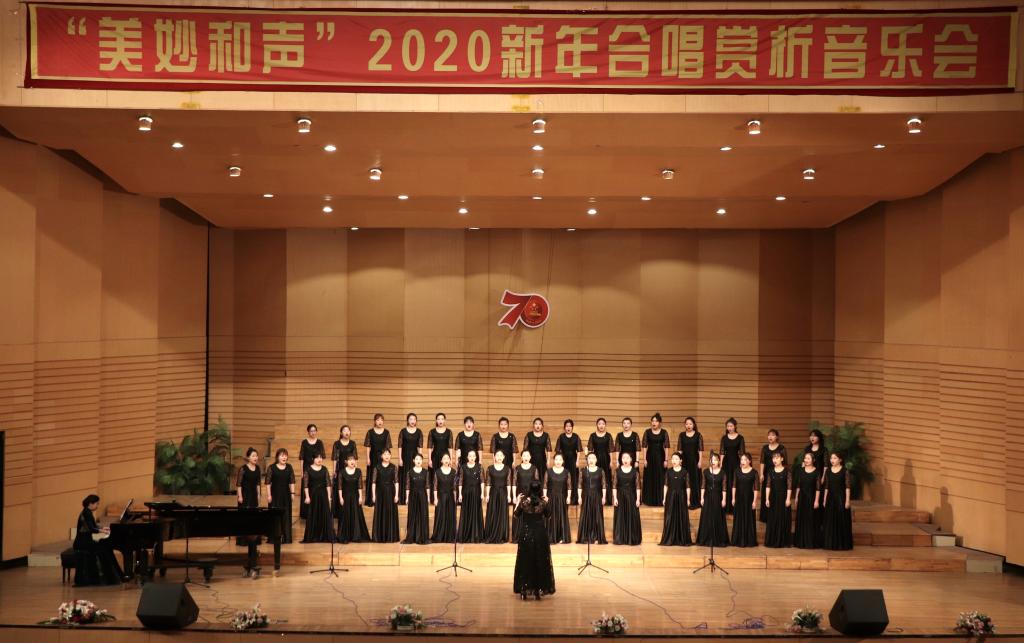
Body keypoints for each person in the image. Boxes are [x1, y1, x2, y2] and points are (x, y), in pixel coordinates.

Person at [513, 481, 555, 600]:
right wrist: (547, 502)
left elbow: (516, 515)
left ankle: (524, 590)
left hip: (526, 535)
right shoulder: (543, 503)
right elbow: (549, 516)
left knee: (525, 561)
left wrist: (517, 502)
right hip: (540, 535)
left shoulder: (524, 502)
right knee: (539, 561)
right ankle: (538, 590)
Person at [73, 494, 125, 586]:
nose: (97, 506)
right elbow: (91, 529)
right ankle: (107, 577)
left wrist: (103, 528)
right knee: (104, 549)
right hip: (82, 543)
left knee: (105, 547)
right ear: (90, 503)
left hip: (85, 541)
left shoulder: (87, 512)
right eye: (97, 503)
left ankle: (110, 576)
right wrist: (102, 531)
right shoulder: (86, 513)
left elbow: (93, 525)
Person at [236, 447, 263, 574]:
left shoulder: (257, 468)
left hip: (253, 496)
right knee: (245, 519)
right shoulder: (243, 469)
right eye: (253, 456)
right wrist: (240, 496)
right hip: (245, 496)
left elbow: (258, 483)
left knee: (254, 519)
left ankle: (254, 540)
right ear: (248, 457)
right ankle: (244, 539)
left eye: (256, 456)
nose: (255, 458)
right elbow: (239, 484)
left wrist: (259, 494)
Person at [696, 452, 729, 547]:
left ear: (719, 461)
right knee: (707, 517)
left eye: (715, 460)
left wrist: (724, 499)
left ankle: (718, 539)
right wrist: (702, 497)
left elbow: (724, 488)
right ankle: (706, 538)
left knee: (717, 516)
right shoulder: (706, 471)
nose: (713, 461)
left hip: (718, 497)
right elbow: (703, 486)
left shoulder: (723, 473)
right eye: (712, 460)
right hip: (708, 497)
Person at [822, 453, 853, 550]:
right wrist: (824, 499)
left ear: (840, 460)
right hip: (830, 498)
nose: (832, 460)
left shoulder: (845, 471)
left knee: (841, 520)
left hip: (841, 498)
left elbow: (847, 487)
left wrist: (847, 500)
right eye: (831, 458)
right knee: (830, 521)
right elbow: (826, 486)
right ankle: (830, 543)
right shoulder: (828, 471)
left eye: (835, 458)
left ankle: (841, 544)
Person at [659, 452, 692, 546]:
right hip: (671, 496)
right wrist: (664, 498)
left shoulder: (685, 472)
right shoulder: (668, 472)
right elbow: (666, 485)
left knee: (681, 516)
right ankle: (669, 538)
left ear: (681, 460)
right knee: (670, 517)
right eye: (673, 459)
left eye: (676, 459)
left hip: (681, 496)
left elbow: (688, 487)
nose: (674, 461)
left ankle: (682, 538)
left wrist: (688, 499)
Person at [336, 453, 370, 543]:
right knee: (345, 515)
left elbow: (360, 486)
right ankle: (345, 535)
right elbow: (340, 486)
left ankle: (356, 536)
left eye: (354, 460)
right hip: (345, 497)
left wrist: (360, 497)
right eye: (350, 460)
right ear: (346, 461)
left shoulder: (358, 471)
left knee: (356, 516)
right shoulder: (342, 472)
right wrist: (340, 498)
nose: (352, 461)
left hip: (355, 497)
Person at [302, 452, 335, 543]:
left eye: (320, 457)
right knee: (313, 514)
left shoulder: (324, 469)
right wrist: (307, 496)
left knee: (324, 515)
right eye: (317, 457)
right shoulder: (308, 469)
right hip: (313, 495)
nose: (319, 459)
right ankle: (313, 536)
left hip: (323, 495)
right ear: (313, 459)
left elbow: (328, 484)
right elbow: (306, 485)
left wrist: (329, 496)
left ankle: (324, 536)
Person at [265, 448, 296, 546]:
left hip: (286, 495)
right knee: (275, 516)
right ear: (277, 457)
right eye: (282, 455)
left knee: (286, 515)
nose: (284, 457)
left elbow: (292, 481)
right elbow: (268, 483)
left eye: (285, 455)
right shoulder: (271, 468)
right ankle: (274, 537)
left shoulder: (289, 467)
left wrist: (292, 493)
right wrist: (269, 495)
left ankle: (286, 537)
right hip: (275, 495)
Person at [792, 452, 822, 549]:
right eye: (805, 458)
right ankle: (801, 541)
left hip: (812, 498)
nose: (806, 460)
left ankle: (810, 542)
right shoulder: (801, 470)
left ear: (813, 460)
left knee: (811, 519)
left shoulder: (817, 472)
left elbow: (818, 488)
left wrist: (816, 501)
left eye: (808, 458)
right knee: (801, 519)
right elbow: (798, 485)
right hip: (802, 498)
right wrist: (796, 497)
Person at [764, 450, 793, 548]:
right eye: (773, 458)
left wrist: (788, 499)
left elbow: (789, 486)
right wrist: (767, 498)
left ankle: (783, 541)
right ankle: (772, 540)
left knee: (783, 518)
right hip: (773, 497)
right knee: (773, 518)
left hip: (783, 497)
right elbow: (768, 486)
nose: (774, 460)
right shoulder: (770, 471)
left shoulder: (787, 471)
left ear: (782, 459)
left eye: (777, 458)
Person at [577, 453, 607, 544]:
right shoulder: (583, 471)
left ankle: (597, 537)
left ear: (596, 460)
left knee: (597, 516)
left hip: (597, 496)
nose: (591, 460)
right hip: (586, 496)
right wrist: (579, 497)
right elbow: (579, 485)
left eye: (593, 458)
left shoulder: (601, 471)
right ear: (587, 460)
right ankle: (585, 537)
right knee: (586, 515)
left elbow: (604, 485)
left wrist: (604, 497)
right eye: (589, 458)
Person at [613, 452, 642, 545]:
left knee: (631, 517)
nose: (625, 460)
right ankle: (620, 538)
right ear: (621, 460)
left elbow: (638, 487)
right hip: (620, 497)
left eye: (627, 458)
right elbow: (614, 486)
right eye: (623, 458)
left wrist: (638, 499)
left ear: (631, 460)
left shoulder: (635, 472)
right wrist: (615, 498)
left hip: (631, 496)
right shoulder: (617, 471)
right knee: (620, 517)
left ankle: (631, 538)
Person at [730, 453, 758, 548]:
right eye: (741, 459)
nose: (742, 461)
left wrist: (754, 501)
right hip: (739, 498)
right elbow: (734, 485)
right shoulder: (737, 471)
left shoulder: (754, 472)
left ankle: (749, 540)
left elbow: (756, 488)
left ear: (749, 461)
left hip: (749, 498)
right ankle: (737, 539)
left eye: (745, 459)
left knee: (748, 518)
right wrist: (733, 498)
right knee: (738, 518)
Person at [371, 449, 400, 543]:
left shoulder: (393, 467)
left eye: (388, 454)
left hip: (391, 492)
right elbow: (374, 482)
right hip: (380, 493)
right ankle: (379, 536)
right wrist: (374, 495)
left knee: (390, 512)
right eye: (385, 454)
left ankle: (390, 536)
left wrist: (396, 495)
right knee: (380, 512)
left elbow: (396, 482)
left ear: (390, 456)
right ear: (381, 456)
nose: (387, 456)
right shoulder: (377, 467)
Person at [363, 414, 392, 507]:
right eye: (378, 420)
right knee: (373, 476)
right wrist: (368, 458)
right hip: (373, 457)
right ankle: (371, 499)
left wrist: (387, 458)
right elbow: (368, 446)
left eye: (381, 420)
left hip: (383, 457)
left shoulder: (386, 432)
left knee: (382, 477)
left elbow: (388, 448)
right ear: (375, 421)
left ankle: (382, 499)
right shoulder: (370, 432)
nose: (380, 422)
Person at [484, 450, 512, 543]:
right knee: (492, 513)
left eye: (501, 455)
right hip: (493, 493)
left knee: (502, 513)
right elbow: (488, 483)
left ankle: (501, 535)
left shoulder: (507, 469)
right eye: (497, 455)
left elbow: (508, 483)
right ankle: (491, 534)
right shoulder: (490, 468)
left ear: (503, 457)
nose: (499, 457)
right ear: (494, 457)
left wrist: (509, 495)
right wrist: (487, 495)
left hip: (503, 493)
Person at [641, 413, 670, 506]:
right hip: (650, 457)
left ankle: (661, 499)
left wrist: (666, 460)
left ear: (659, 423)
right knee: (650, 478)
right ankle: (649, 500)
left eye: (656, 421)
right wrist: (644, 459)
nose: (654, 423)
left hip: (661, 458)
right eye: (653, 421)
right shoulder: (647, 432)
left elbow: (666, 447)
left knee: (661, 478)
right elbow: (644, 446)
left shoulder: (664, 432)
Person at [759, 429, 787, 523]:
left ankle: (776, 516)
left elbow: (785, 463)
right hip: (767, 473)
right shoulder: (765, 448)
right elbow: (762, 462)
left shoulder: (781, 448)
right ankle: (766, 516)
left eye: (773, 435)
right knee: (766, 493)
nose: (770, 437)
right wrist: (761, 473)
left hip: (778, 474)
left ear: (777, 437)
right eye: (769, 435)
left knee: (775, 493)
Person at [512, 450, 540, 541]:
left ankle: (530, 536)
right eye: (524, 455)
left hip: (531, 496)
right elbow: (514, 483)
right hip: (520, 495)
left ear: (530, 457)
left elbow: (537, 484)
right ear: (521, 457)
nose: (526, 457)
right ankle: (518, 536)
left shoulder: (534, 468)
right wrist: (514, 496)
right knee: (519, 514)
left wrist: (533, 496)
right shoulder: (517, 468)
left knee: (530, 515)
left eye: (527, 455)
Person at [457, 450, 485, 543]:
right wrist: (460, 494)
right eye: (470, 456)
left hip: (476, 492)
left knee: (476, 511)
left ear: (476, 457)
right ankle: (465, 534)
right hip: (466, 492)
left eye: (473, 456)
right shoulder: (463, 467)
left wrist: (482, 493)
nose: (472, 457)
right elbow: (460, 481)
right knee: (466, 512)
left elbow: (482, 481)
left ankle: (476, 535)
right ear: (467, 457)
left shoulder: (479, 467)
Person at [298, 424, 325, 519]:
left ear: (316, 431)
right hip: (306, 469)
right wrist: (301, 471)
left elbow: (321, 457)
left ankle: (316, 511)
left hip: (316, 469)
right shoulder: (304, 442)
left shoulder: (319, 442)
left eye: (314, 431)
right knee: (306, 489)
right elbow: (301, 457)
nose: (313, 432)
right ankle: (306, 513)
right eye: (311, 431)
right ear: (308, 432)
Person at [586, 417, 615, 506]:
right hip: (595, 460)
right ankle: (596, 499)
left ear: (605, 425)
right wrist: (590, 461)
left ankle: (607, 499)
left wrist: (611, 461)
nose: (601, 425)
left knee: (606, 478)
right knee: (596, 478)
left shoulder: (608, 435)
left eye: (603, 424)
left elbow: (610, 450)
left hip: (606, 459)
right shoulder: (592, 436)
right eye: (599, 424)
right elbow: (590, 450)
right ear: (597, 425)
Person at [331, 425, 357, 521]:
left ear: (350, 432)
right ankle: (338, 512)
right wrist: (334, 470)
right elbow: (334, 458)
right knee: (340, 489)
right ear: (341, 433)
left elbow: (355, 457)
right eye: (344, 430)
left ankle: (350, 510)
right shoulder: (337, 443)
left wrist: (355, 469)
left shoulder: (353, 443)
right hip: (340, 470)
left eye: (348, 430)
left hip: (351, 470)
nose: (346, 432)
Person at [719, 418, 745, 514]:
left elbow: (742, 452)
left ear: (735, 426)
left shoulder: (740, 438)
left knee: (735, 483)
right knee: (726, 482)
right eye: (728, 426)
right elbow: (722, 452)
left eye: (731, 426)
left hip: (736, 462)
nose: (729, 428)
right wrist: (721, 463)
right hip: (726, 463)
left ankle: (735, 506)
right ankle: (726, 506)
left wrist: (742, 463)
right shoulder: (724, 438)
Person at [403, 454, 430, 544]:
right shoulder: (410, 472)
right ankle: (412, 536)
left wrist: (428, 497)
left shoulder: (426, 472)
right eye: (417, 459)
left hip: (423, 495)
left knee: (423, 515)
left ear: (422, 461)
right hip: (413, 496)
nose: (418, 461)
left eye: (420, 459)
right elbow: (407, 486)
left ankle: (423, 536)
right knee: (412, 515)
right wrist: (407, 498)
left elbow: (427, 486)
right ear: (413, 460)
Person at [545, 453, 572, 544]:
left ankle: (562, 537)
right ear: (553, 460)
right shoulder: (548, 471)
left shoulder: (566, 472)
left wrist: (568, 497)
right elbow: (545, 485)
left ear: (563, 461)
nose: (558, 461)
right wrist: (545, 496)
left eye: (560, 459)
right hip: (551, 498)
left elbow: (569, 486)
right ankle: (551, 537)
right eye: (556, 459)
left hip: (562, 498)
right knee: (551, 517)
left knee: (561, 517)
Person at [430, 453, 457, 543]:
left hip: (450, 497)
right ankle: (439, 535)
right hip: (440, 497)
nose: (446, 460)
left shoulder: (453, 472)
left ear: (450, 460)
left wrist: (455, 498)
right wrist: (435, 499)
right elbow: (435, 487)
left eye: (447, 458)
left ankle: (450, 536)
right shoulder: (437, 472)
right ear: (441, 460)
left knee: (450, 516)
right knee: (440, 516)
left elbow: (454, 487)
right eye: (444, 458)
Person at [677, 417, 704, 509]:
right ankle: (684, 501)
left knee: (694, 480)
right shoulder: (681, 435)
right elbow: (680, 450)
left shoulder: (698, 435)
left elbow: (700, 450)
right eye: (687, 424)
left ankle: (695, 501)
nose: (688, 425)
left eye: (690, 424)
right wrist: (679, 461)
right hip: (684, 461)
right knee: (684, 480)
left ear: (694, 425)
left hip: (694, 461)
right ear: (685, 425)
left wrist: (700, 461)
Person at [397, 413, 424, 505]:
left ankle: (414, 498)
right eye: (411, 419)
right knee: (404, 476)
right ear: (407, 420)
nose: (412, 421)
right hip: (404, 457)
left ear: (416, 421)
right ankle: (403, 498)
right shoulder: (403, 431)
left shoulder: (419, 432)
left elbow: (420, 446)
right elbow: (400, 446)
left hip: (415, 458)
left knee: (414, 476)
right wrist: (400, 458)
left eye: (414, 419)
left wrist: (420, 459)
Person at [427, 413, 454, 503]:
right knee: (434, 477)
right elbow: (429, 447)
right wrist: (429, 459)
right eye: (438, 419)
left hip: (446, 458)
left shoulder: (449, 432)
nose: (440, 421)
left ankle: (445, 498)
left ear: (445, 420)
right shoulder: (432, 431)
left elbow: (450, 447)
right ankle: (434, 498)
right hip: (435, 457)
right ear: (436, 420)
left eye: (442, 419)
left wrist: (451, 459)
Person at [555, 419, 583, 504]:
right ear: (564, 427)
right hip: (563, 461)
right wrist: (559, 461)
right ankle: (563, 497)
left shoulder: (576, 436)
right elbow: (558, 450)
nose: (568, 428)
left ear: (572, 427)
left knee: (573, 478)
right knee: (564, 478)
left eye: (570, 426)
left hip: (573, 460)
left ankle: (573, 498)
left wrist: (577, 461)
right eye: (567, 426)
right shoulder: (561, 437)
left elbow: (579, 450)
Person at [523, 418, 552, 487]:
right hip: (531, 460)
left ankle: (541, 492)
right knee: (530, 477)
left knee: (542, 477)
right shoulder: (529, 435)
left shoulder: (546, 435)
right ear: (533, 425)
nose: (538, 425)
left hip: (542, 460)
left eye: (539, 424)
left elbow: (549, 449)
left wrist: (548, 461)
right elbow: (525, 449)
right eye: (536, 424)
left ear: (542, 426)